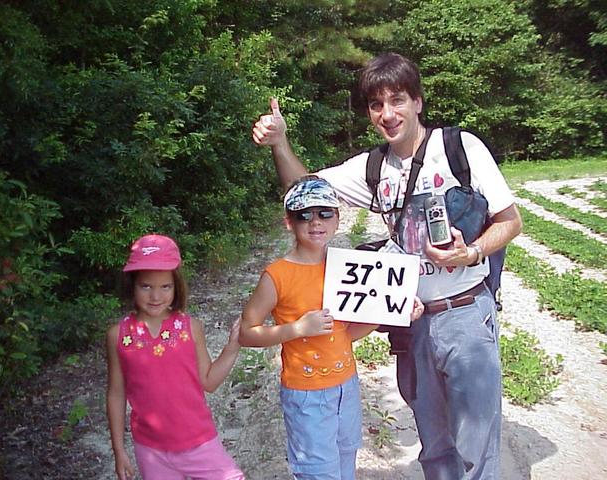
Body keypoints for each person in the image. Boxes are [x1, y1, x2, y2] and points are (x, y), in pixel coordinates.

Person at [252, 53, 522, 479]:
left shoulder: (460, 148)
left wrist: (469, 253)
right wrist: (280, 143)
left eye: (397, 100)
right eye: (377, 105)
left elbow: (510, 222)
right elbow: (306, 191)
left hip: (466, 313)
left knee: (475, 444)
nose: (388, 113)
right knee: (433, 444)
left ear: (417, 101)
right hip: (410, 324)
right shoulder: (373, 167)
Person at [240, 176, 424, 480]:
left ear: (338, 219)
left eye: (325, 213)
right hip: (306, 394)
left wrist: (394, 311)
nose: (315, 222)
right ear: (289, 222)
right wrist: (297, 329)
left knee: (345, 461)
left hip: (346, 386)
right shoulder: (277, 275)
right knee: (317, 472)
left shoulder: (345, 268)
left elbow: (347, 333)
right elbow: (247, 332)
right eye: (304, 215)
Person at [106, 234, 245, 480]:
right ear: (132, 285)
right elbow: (116, 393)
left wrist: (233, 346)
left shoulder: (191, 328)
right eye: (146, 286)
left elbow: (209, 382)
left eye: (165, 287)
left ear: (176, 286)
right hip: (151, 451)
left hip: (200, 443)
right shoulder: (118, 335)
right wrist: (119, 450)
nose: (155, 296)